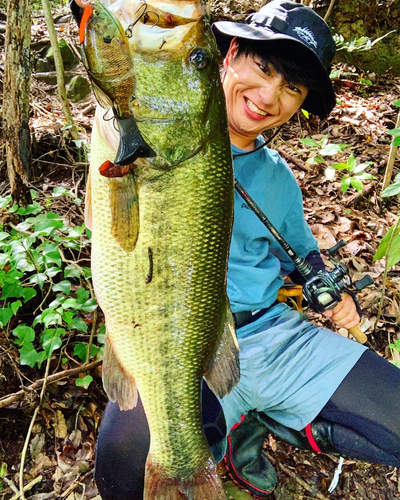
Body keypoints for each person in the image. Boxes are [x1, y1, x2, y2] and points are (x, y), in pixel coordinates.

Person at [71, 1, 400, 498]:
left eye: (292, 87)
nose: (270, 95)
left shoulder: (279, 179)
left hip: (274, 336)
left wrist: (328, 290)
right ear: (229, 57)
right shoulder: (126, 133)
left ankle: (270, 423)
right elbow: (106, 41)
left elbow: (301, 252)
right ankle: (224, 429)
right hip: (179, 347)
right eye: (263, 67)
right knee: (123, 466)